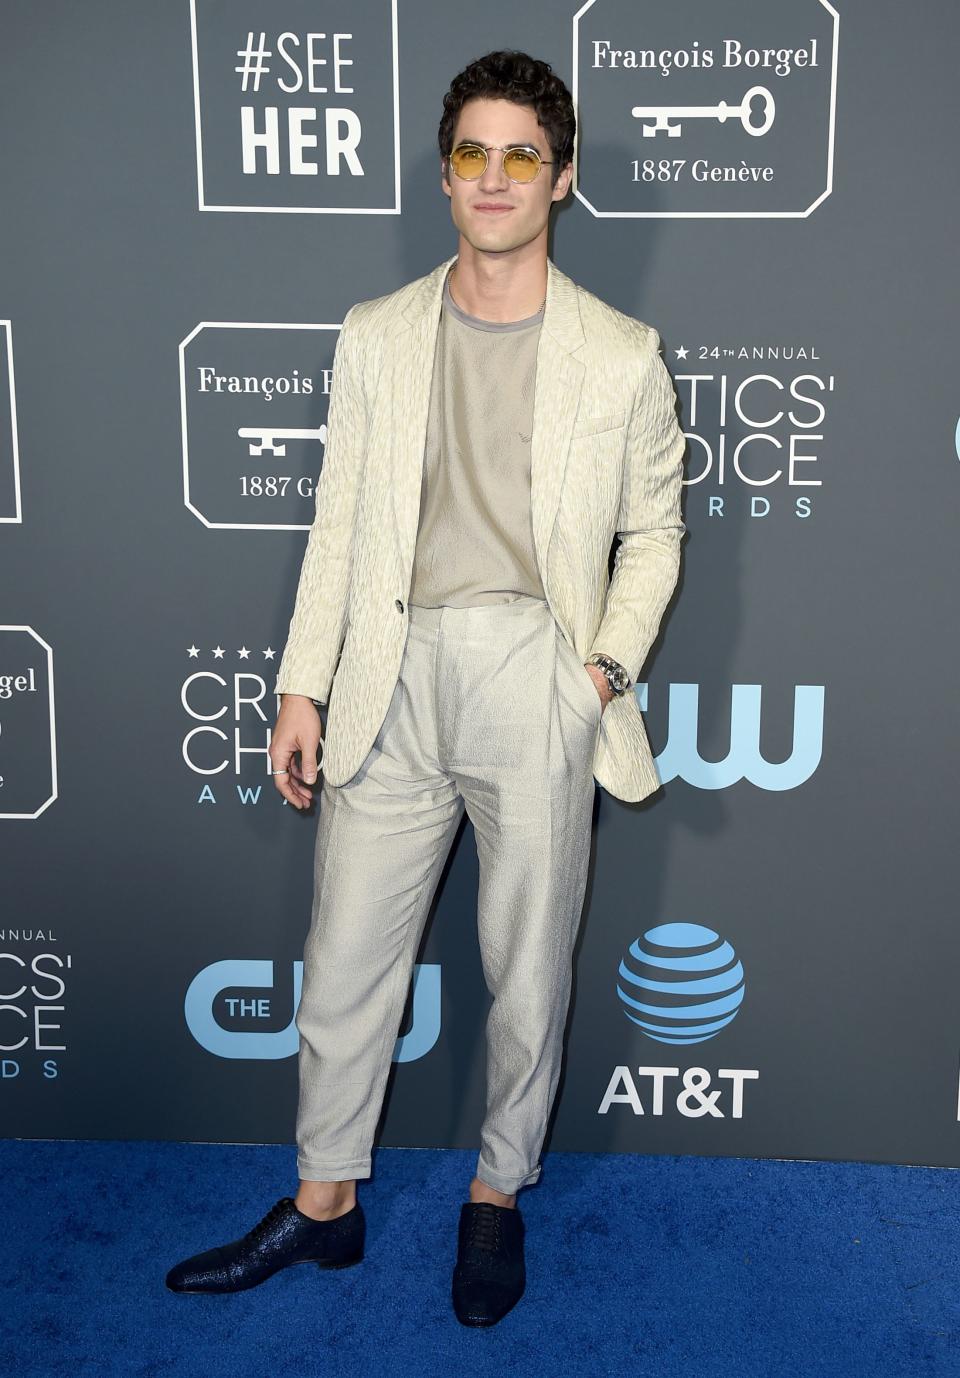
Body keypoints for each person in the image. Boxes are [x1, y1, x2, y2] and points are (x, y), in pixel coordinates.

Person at [166, 48, 686, 1327]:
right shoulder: (377, 335)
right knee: (343, 959)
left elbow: (657, 534)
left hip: (535, 671)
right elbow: (337, 523)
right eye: (472, 153)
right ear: (445, 172)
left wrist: (601, 669)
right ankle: (323, 1207)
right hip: (388, 674)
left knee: (528, 968)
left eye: (522, 155)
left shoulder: (621, 356)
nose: (495, 177)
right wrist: (302, 685)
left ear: (560, 179)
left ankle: (496, 1196)